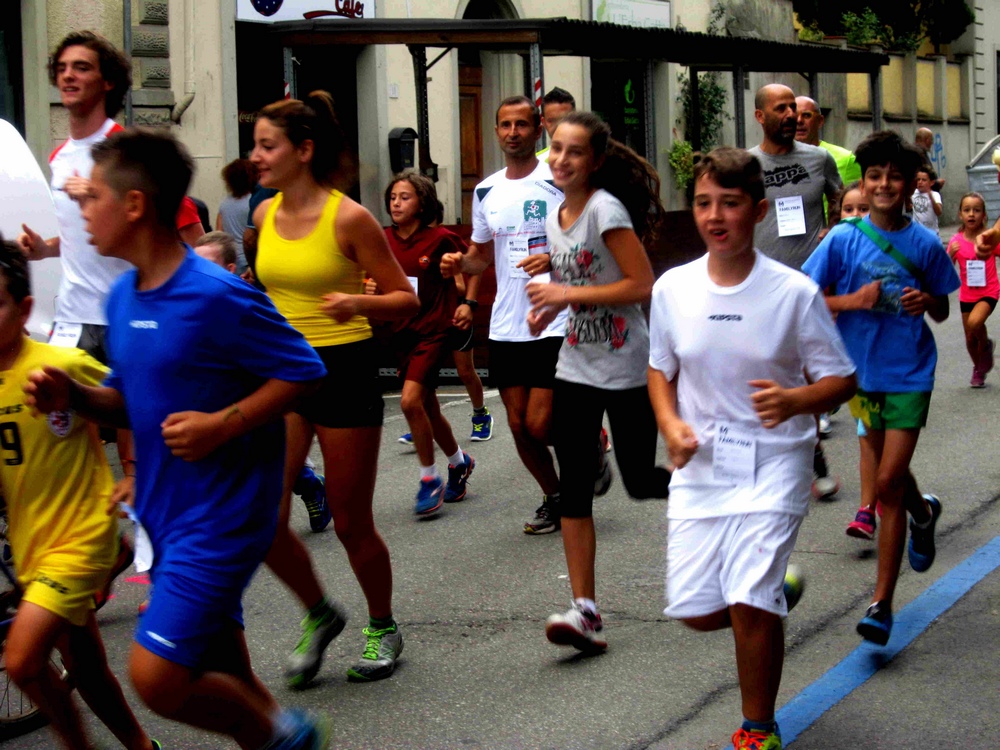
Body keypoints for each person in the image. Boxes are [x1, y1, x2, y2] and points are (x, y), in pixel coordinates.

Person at [27, 127, 331, 748]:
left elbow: (303, 369)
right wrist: (75, 397)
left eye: (93, 198)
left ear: (135, 204)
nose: (82, 211)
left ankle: (284, 736)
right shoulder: (121, 297)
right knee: (224, 671)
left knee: (158, 678)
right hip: (166, 516)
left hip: (221, 518)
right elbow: (127, 400)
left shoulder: (214, 294)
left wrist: (224, 423)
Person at [648, 147, 856, 750]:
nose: (716, 217)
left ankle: (757, 729)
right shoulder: (673, 289)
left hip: (776, 462)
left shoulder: (792, 293)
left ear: (758, 210)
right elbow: (660, 368)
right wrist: (670, 425)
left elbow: (842, 379)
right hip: (703, 465)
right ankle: (774, 593)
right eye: (704, 203)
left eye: (731, 204)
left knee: (747, 599)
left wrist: (795, 401)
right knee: (694, 610)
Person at [251, 91, 419, 687]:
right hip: (282, 373)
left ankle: (383, 624)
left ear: (304, 150)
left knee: (350, 521)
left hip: (343, 370)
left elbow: (406, 300)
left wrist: (358, 302)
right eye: (255, 145)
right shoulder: (262, 216)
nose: (256, 156)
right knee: (262, 519)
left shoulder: (348, 217)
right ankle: (320, 613)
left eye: (267, 145)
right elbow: (264, 290)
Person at [0, 238, 159, 750]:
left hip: (81, 535)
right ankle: (139, 745)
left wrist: (133, 471)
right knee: (85, 668)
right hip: (30, 544)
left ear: (24, 308)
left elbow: (132, 405)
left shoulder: (60, 363)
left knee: (22, 661)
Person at [802, 130, 960, 646]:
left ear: (909, 183)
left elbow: (942, 306)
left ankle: (882, 604)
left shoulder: (927, 243)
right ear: (863, 185)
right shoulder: (842, 240)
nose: (884, 184)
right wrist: (854, 301)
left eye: (894, 175)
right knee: (894, 479)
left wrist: (925, 304)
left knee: (888, 479)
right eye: (875, 176)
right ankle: (923, 511)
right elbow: (806, 300)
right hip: (859, 375)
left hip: (910, 371)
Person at [524, 111, 671, 651]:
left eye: (574, 152)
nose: (561, 159)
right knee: (574, 490)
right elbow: (583, 272)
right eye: (556, 148)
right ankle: (585, 610)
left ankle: (713, 494)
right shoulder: (558, 212)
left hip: (628, 367)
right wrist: (551, 308)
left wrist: (564, 296)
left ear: (596, 161)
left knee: (639, 481)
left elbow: (640, 285)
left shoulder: (605, 209)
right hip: (576, 365)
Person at [440, 95, 568, 535]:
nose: (512, 132)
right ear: (496, 132)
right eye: (504, 125)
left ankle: (586, 442)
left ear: (537, 130)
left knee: (540, 422)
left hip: (555, 316)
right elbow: (480, 256)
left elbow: (588, 239)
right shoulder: (486, 190)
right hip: (508, 323)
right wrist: (460, 264)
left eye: (520, 124)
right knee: (518, 426)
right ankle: (556, 497)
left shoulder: (560, 179)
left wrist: (555, 259)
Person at [750, 84, 843, 499]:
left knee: (805, 372)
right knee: (769, 372)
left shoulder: (819, 159)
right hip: (759, 283)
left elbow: (841, 198)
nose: (791, 115)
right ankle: (804, 453)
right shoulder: (747, 164)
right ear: (760, 116)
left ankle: (807, 448)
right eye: (781, 108)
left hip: (809, 282)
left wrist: (835, 229)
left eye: (795, 108)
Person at [373, 173, 477, 514]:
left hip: (433, 331)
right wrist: (368, 288)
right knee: (427, 406)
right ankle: (459, 462)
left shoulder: (441, 239)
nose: (396, 203)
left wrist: (465, 301)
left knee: (409, 401)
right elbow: (370, 276)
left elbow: (471, 270)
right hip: (400, 332)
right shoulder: (381, 238)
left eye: (405, 197)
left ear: (422, 203)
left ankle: (429, 478)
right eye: (392, 197)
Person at [398, 198, 493, 445]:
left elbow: (464, 281)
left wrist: (457, 289)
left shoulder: (445, 241)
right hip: (427, 322)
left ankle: (481, 414)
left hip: (454, 318)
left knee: (465, 371)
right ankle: (425, 420)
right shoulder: (407, 245)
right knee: (425, 378)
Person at [947, 193, 997, 387]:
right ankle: (978, 369)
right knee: (969, 338)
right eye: (967, 210)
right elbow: (945, 268)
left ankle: (985, 346)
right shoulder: (956, 241)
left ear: (984, 215)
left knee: (976, 323)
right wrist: (949, 255)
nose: (971, 214)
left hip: (988, 291)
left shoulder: (990, 239)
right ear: (960, 214)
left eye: (976, 210)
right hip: (967, 294)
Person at [216, 158, 257, 274]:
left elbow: (219, 232)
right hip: (249, 261)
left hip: (231, 260)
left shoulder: (225, 203)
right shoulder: (254, 202)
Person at [537, 87, 576, 161]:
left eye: (564, 120)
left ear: (576, 119)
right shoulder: (537, 163)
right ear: (543, 122)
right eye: (551, 121)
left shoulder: (590, 159)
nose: (558, 126)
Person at [911, 168, 943, 235]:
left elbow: (939, 212)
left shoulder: (935, 195)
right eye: (918, 179)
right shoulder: (913, 193)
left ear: (931, 182)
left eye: (924, 180)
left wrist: (931, 197)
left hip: (931, 233)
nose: (920, 182)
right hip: (917, 232)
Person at [914, 127, 946, 191]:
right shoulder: (918, 155)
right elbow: (920, 177)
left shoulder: (919, 152)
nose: (932, 143)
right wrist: (936, 184)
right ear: (927, 140)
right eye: (931, 140)